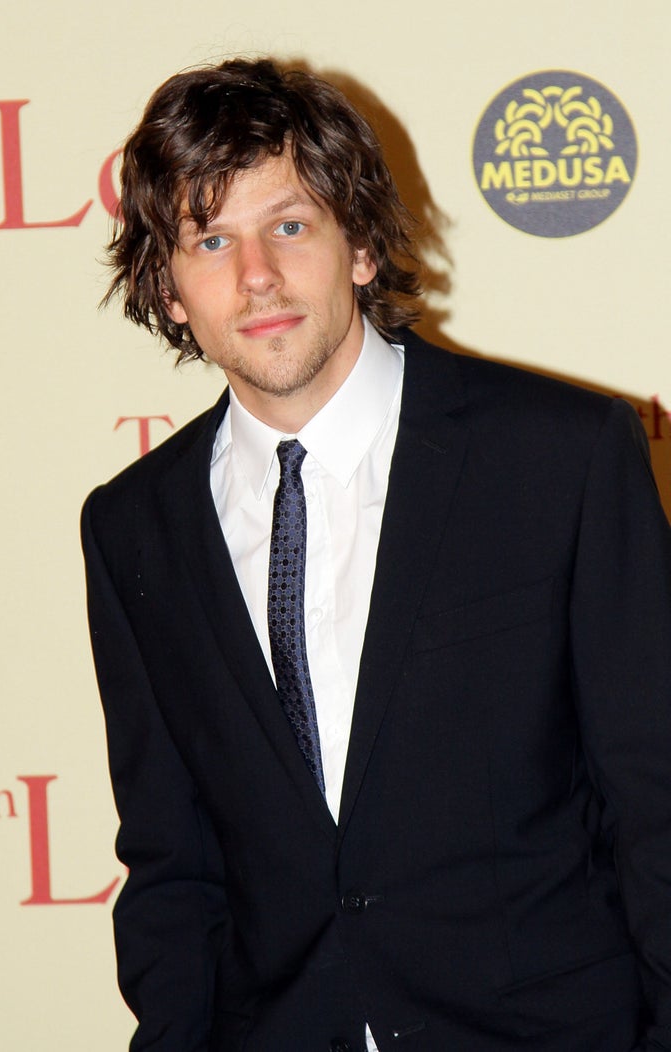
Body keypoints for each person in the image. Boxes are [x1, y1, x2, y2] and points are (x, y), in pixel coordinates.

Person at [81, 57, 671, 1052]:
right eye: (211, 239)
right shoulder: (134, 524)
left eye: (291, 224)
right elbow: (170, 865)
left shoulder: (559, 457)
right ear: (169, 290)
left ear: (359, 244)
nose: (255, 275)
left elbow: (656, 801)